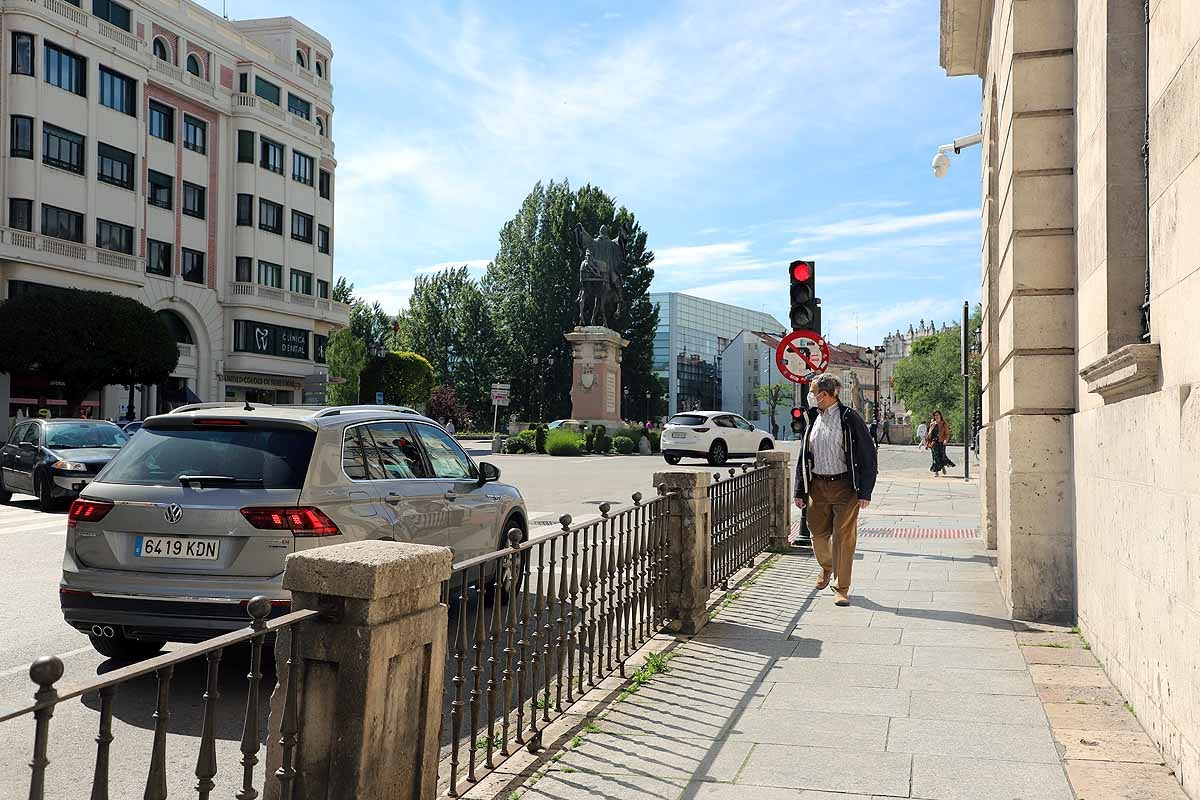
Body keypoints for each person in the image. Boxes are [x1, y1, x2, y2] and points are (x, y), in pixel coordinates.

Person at [793, 374, 878, 607]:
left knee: (843, 537)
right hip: (817, 486)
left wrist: (865, 491)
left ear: (826, 394)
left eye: (813, 391)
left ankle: (841, 587)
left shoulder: (849, 418)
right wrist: (799, 490)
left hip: (845, 487)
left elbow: (868, 454)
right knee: (817, 533)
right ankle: (827, 565)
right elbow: (804, 456)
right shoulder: (813, 418)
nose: (811, 396)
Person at [928, 410, 955, 476]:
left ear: (940, 415)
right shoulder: (932, 424)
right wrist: (927, 443)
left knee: (942, 456)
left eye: (937, 415)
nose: (936, 416)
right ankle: (936, 471)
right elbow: (929, 434)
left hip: (941, 442)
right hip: (933, 442)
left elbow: (947, 433)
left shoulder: (944, 423)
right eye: (935, 415)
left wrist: (946, 440)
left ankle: (942, 466)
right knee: (935, 456)